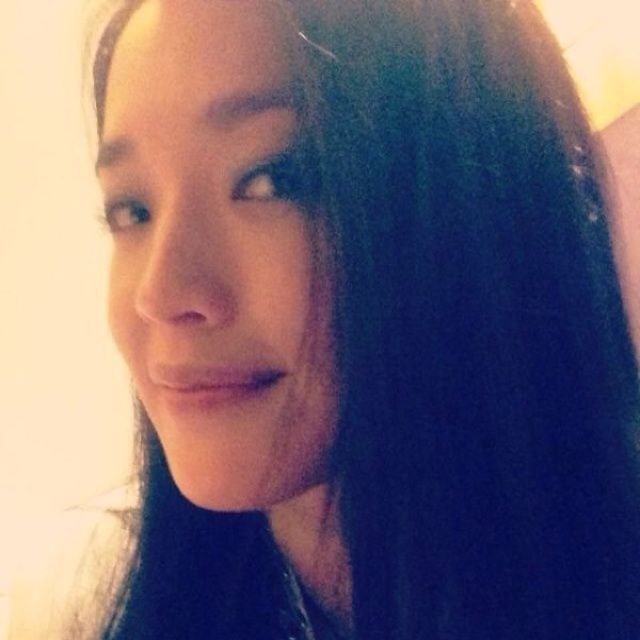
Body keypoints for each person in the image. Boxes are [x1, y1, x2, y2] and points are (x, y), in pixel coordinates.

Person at [16, 0, 640, 638]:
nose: (160, 293)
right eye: (131, 210)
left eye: (272, 180)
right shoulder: (72, 609)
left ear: (474, 195)